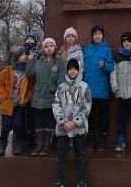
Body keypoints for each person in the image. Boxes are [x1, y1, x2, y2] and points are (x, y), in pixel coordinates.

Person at [52, 58, 92, 187]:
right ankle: (59, 181)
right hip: (63, 128)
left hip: (79, 128)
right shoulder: (61, 87)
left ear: (79, 70)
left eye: (75, 68)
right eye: (70, 68)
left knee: (80, 154)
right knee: (61, 155)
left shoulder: (84, 87)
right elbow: (55, 105)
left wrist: (75, 123)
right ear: (67, 70)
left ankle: (81, 180)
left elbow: (87, 106)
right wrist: (63, 122)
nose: (72, 71)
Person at [26, 37, 65, 156]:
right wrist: (30, 61)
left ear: (55, 48)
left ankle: (47, 145)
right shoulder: (38, 62)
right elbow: (30, 74)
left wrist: (56, 92)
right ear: (43, 48)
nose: (49, 48)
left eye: (51, 46)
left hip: (51, 98)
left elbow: (61, 80)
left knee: (49, 121)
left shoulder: (59, 62)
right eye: (46, 46)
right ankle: (40, 144)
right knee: (39, 122)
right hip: (38, 97)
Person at [0, 46, 33, 156]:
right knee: (6, 125)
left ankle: (19, 143)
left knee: (17, 125)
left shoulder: (27, 72)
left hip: (20, 104)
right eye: (22, 55)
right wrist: (4, 96)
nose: (25, 56)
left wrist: (27, 99)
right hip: (7, 104)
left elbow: (30, 88)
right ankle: (2, 144)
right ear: (16, 57)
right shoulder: (6, 71)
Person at [110, 31, 131, 152]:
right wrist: (115, 87)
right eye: (124, 41)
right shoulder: (117, 56)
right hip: (121, 92)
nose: (127, 43)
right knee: (121, 118)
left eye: (129, 41)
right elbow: (113, 73)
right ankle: (120, 139)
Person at [83, 25, 114, 149]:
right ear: (92, 36)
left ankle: (102, 138)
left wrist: (104, 65)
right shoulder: (86, 49)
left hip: (102, 89)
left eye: (99, 33)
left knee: (103, 117)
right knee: (90, 115)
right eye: (95, 33)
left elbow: (111, 67)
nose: (97, 36)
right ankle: (90, 137)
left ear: (103, 36)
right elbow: (83, 68)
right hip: (88, 88)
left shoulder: (107, 50)